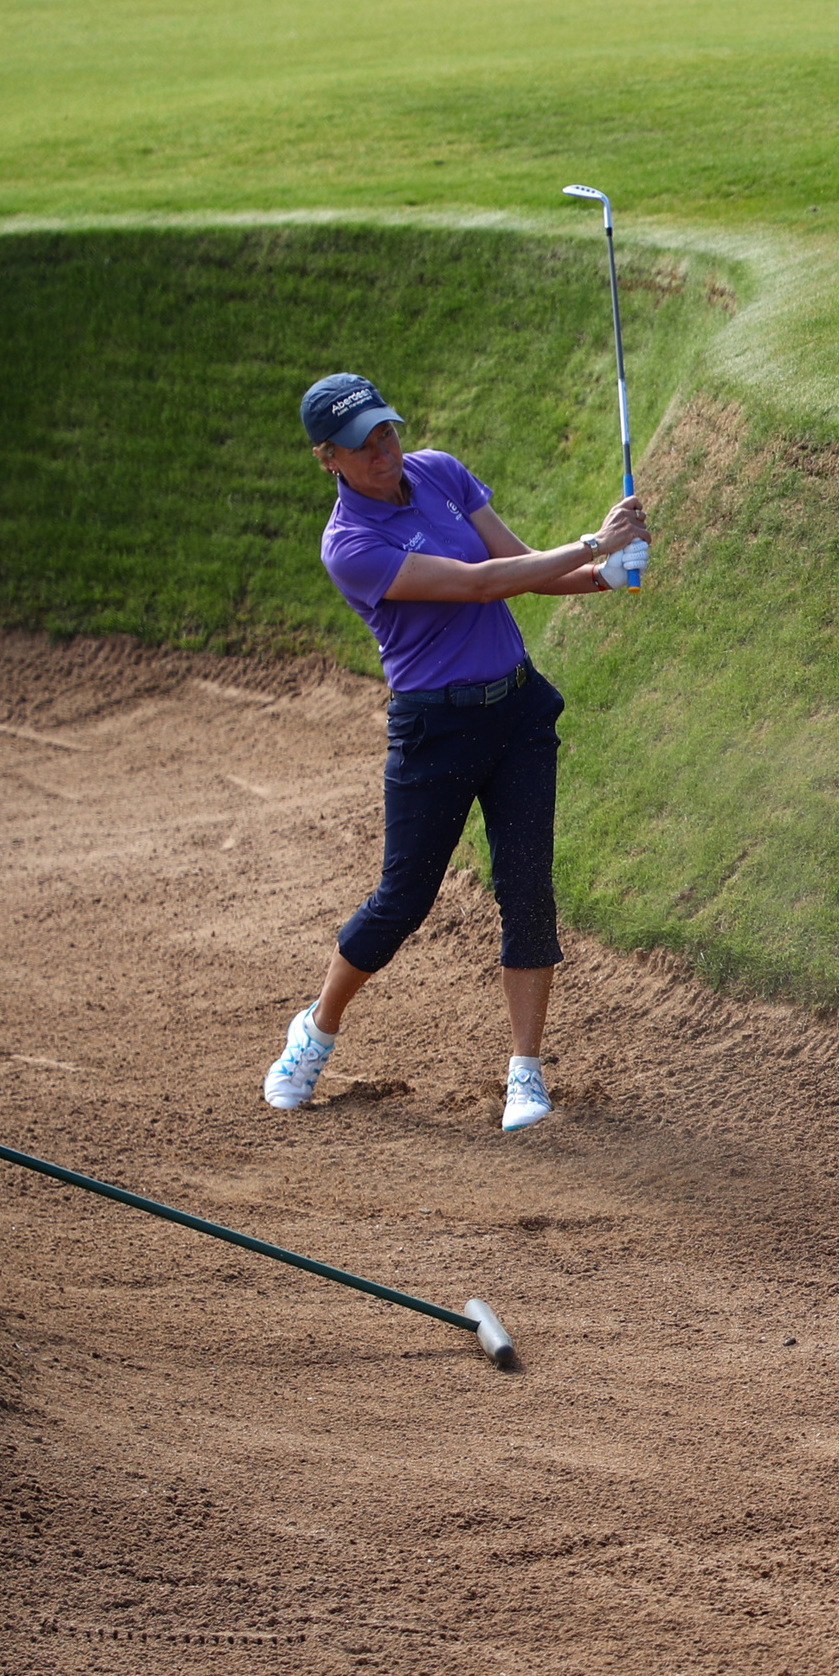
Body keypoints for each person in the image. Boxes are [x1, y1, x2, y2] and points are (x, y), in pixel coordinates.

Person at [262, 373, 647, 1130]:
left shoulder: (437, 472)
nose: (384, 452)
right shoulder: (351, 546)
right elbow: (477, 585)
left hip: (517, 714)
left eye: (387, 432)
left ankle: (525, 1073)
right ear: (326, 459)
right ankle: (315, 1031)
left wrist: (604, 575)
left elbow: (525, 569)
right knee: (402, 902)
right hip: (434, 731)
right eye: (361, 445)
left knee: (527, 887)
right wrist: (597, 542)